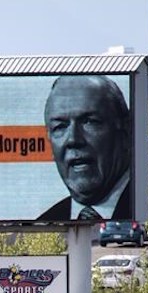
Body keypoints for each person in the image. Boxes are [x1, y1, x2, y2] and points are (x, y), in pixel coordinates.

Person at [37, 75, 132, 221]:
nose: (73, 140)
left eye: (89, 122)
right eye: (60, 127)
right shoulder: (46, 221)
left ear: (126, 131)